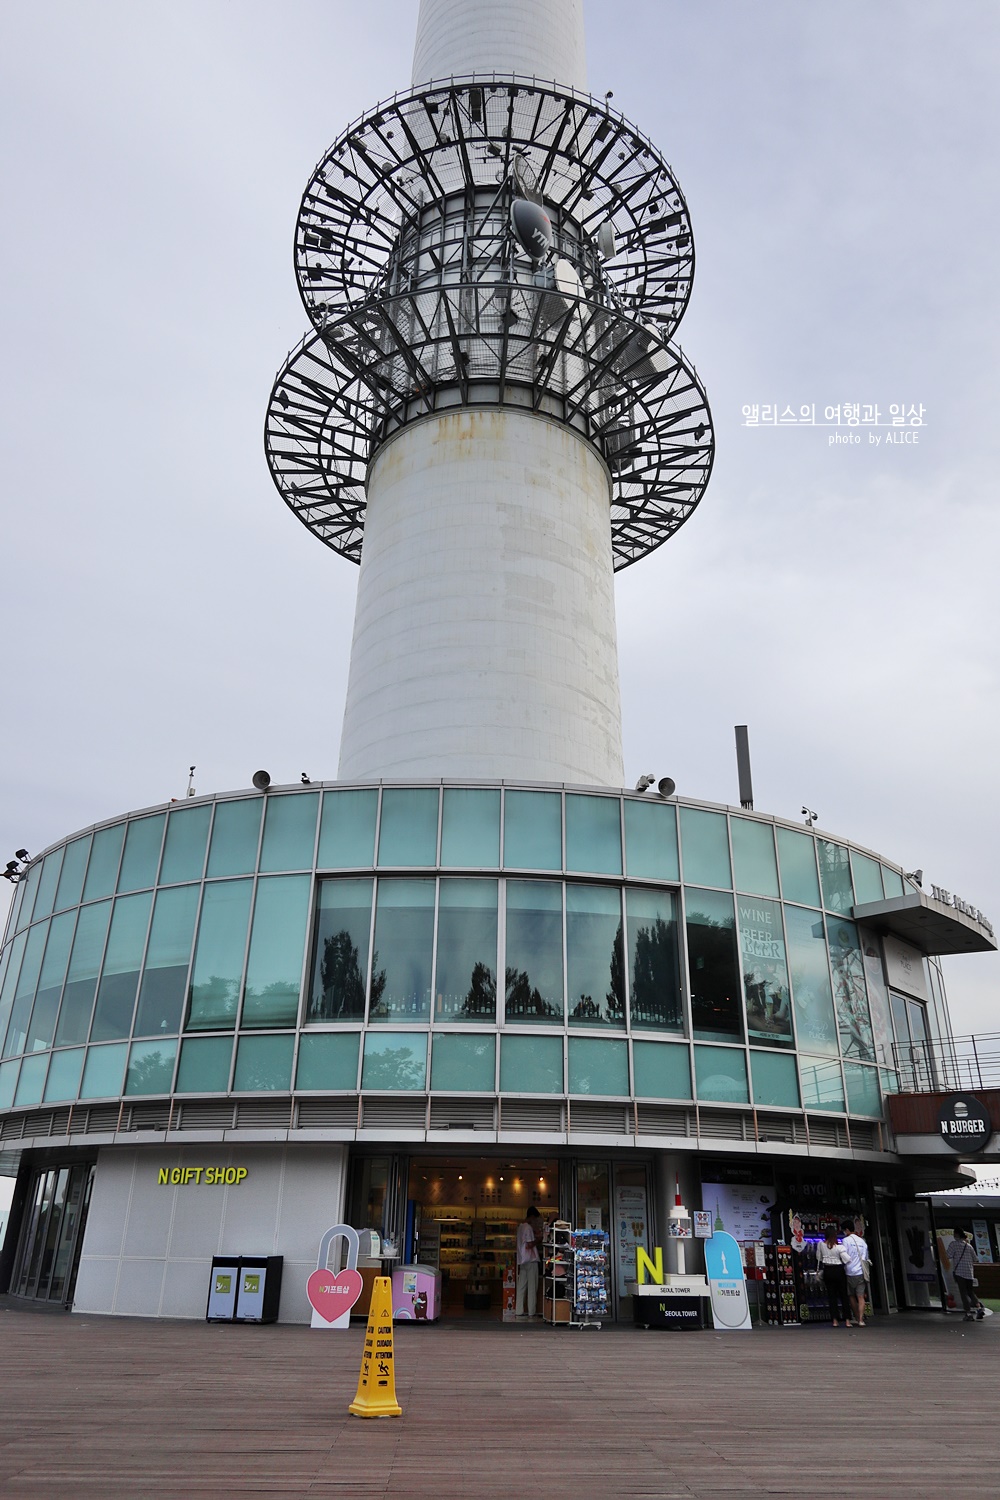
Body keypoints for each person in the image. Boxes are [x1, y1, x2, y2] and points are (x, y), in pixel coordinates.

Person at [947, 1228, 985, 1321]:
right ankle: (979, 1308)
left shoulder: (953, 1244)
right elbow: (975, 1258)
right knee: (970, 1292)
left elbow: (948, 1255)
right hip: (969, 1272)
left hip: (960, 1272)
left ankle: (968, 1313)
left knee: (963, 1293)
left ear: (956, 1234)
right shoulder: (969, 1246)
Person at [816, 1227, 851, 1326]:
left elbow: (818, 1257)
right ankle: (847, 1320)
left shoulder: (821, 1244)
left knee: (832, 1296)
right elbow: (847, 1259)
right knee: (843, 1295)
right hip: (838, 1270)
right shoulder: (839, 1247)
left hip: (827, 1270)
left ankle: (835, 1320)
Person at [840, 1219, 870, 1327]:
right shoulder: (862, 1241)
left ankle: (857, 1317)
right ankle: (861, 1320)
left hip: (850, 1272)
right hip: (861, 1271)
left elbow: (844, 1256)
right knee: (861, 1297)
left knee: (851, 1296)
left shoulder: (846, 1241)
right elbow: (866, 1257)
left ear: (847, 1230)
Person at [515, 1206, 541, 1318]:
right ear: (532, 1216)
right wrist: (539, 1239)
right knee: (532, 1287)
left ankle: (519, 1310)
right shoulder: (528, 1228)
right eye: (535, 1218)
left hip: (522, 1260)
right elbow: (530, 1244)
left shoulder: (520, 1227)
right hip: (531, 1260)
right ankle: (531, 1311)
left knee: (521, 1287)